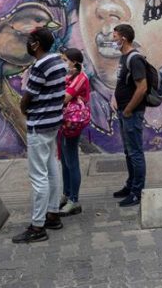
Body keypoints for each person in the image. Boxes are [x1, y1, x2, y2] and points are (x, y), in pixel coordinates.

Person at [12, 27, 68, 243]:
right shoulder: (58, 62)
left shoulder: (40, 66)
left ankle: (37, 226)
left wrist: (23, 107)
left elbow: (28, 97)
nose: (26, 43)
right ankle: (53, 214)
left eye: (29, 40)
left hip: (39, 124)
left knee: (38, 176)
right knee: (53, 169)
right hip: (53, 123)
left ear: (36, 44)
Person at [110, 24, 148, 207]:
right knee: (128, 152)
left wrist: (128, 109)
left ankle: (137, 192)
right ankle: (130, 184)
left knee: (135, 152)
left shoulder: (134, 59)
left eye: (115, 36)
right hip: (124, 111)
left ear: (123, 38)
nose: (112, 39)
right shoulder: (123, 57)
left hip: (131, 113)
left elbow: (142, 87)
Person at [59, 48, 89, 216]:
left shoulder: (80, 78)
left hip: (72, 123)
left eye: (65, 60)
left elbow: (64, 98)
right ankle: (66, 194)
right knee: (64, 160)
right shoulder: (70, 77)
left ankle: (74, 200)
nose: (63, 63)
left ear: (75, 63)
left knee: (71, 161)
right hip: (64, 122)